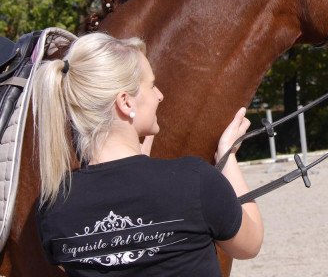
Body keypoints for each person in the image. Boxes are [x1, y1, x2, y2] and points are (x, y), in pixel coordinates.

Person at [33, 32, 263, 276]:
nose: (159, 95)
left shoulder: (52, 205)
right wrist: (228, 158)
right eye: (151, 85)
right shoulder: (194, 181)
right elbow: (250, 244)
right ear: (126, 102)